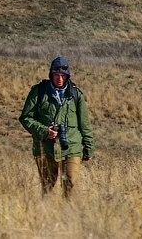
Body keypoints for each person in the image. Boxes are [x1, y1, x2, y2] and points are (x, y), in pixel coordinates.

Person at [19, 56, 94, 198]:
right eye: (56, 75)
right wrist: (44, 131)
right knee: (48, 187)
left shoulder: (76, 95)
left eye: (63, 76)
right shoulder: (39, 92)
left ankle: (67, 215)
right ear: (51, 75)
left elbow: (85, 124)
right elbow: (25, 118)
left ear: (67, 77)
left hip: (71, 146)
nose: (59, 79)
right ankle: (46, 216)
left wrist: (89, 146)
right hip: (45, 147)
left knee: (70, 183)